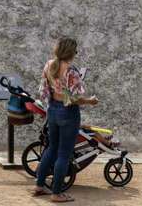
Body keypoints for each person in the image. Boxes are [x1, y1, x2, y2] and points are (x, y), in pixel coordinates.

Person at [33, 37, 98, 202]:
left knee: (51, 148)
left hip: (53, 110)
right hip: (68, 113)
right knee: (64, 154)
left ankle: (39, 185)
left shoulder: (49, 65)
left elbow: (43, 90)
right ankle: (57, 193)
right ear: (70, 52)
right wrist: (90, 101)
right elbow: (74, 98)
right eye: (75, 51)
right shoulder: (72, 70)